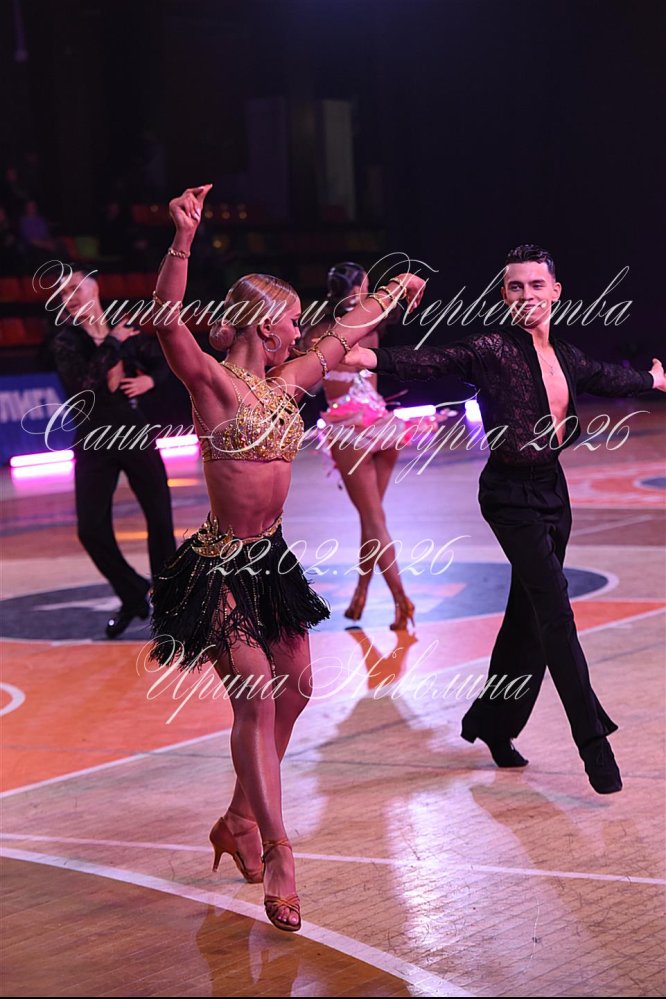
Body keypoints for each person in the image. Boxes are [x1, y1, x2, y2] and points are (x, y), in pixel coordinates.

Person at [146, 185, 425, 932]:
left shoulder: (286, 384)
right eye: (293, 320)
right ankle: (278, 850)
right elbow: (165, 317)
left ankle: (239, 818)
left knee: (297, 688)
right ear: (265, 324)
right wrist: (183, 238)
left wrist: (394, 289)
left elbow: (343, 331)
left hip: (270, 561)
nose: (301, 332)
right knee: (258, 698)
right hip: (220, 565)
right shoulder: (212, 385)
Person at [341, 243, 665, 795]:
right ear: (504, 295)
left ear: (555, 292)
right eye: (516, 287)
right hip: (509, 495)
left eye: (536, 285)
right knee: (555, 612)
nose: (527, 295)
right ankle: (595, 746)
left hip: (553, 492)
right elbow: (434, 360)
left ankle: (493, 722)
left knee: (528, 619)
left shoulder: (567, 356)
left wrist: (652, 381)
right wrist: (368, 359)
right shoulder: (493, 348)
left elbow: (611, 377)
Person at [300, 261, 439, 630]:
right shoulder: (371, 327)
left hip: (349, 427)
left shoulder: (319, 333)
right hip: (382, 424)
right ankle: (361, 593)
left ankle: (401, 599)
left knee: (374, 519)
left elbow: (305, 378)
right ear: (359, 290)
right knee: (372, 518)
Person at [52, 266, 177, 638]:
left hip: (133, 431)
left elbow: (166, 362)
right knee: (90, 529)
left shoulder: (126, 331)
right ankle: (133, 592)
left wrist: (151, 379)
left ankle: (170, 604)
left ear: (95, 290)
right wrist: (112, 343)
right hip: (93, 437)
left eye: (75, 288)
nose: (69, 297)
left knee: (159, 519)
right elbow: (86, 386)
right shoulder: (66, 341)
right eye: (63, 293)